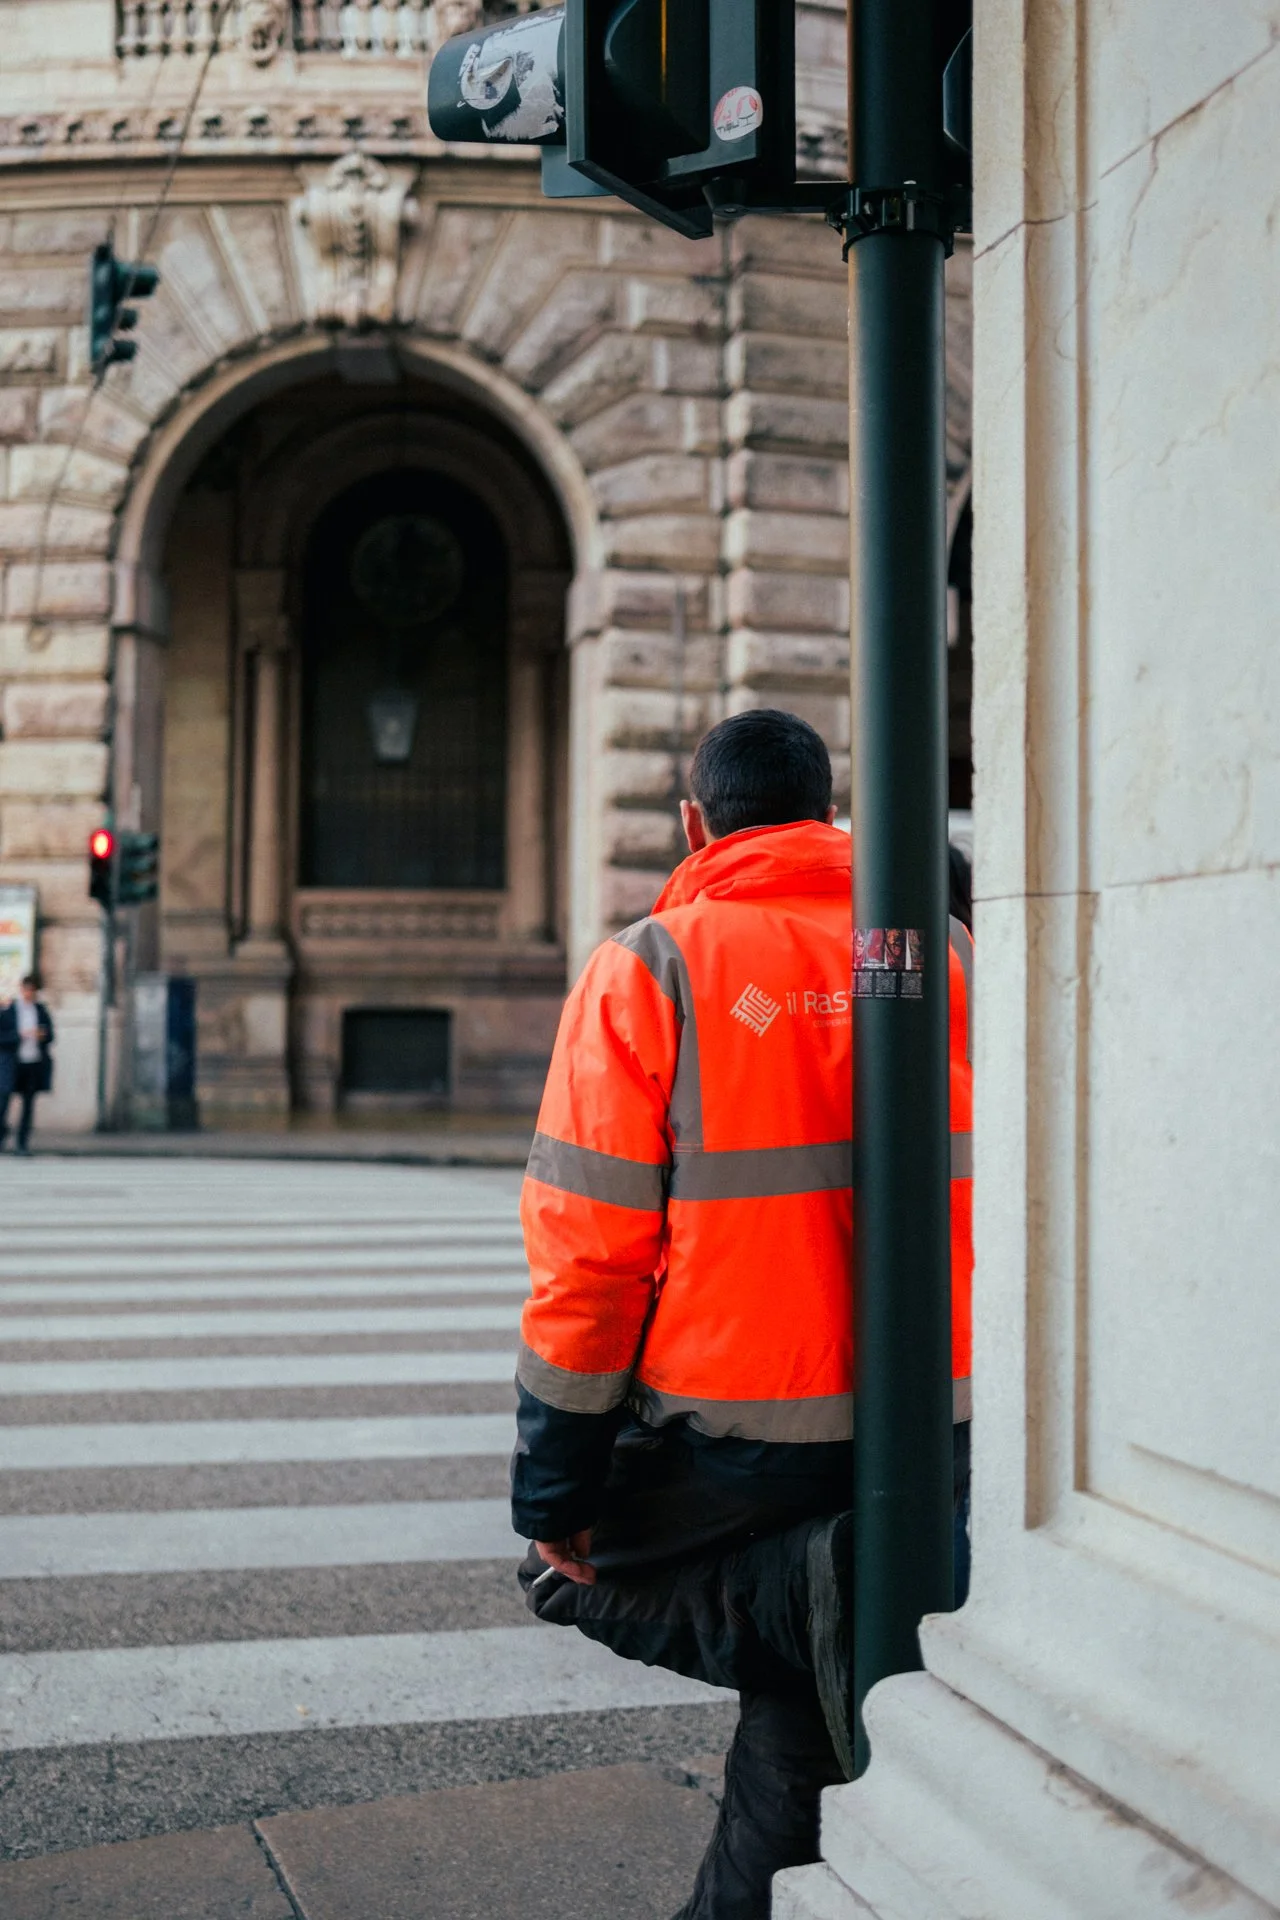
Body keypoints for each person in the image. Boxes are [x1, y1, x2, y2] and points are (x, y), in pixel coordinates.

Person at [512, 710, 974, 1919]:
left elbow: (588, 1255)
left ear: (692, 823)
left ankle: (807, 1585)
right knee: (799, 1720)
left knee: (563, 1571)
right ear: (827, 816)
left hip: (744, 1441)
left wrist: (554, 1482)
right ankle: (824, 1592)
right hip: (937, 1424)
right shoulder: (941, 951)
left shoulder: (655, 964)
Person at [0, 974, 55, 1155]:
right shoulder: (9, 1011)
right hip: (12, 1064)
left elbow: (50, 1036)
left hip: (32, 1063)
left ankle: (22, 1144)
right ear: (22, 989)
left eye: (33, 990)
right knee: (3, 1103)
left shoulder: (40, 1011)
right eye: (27, 989)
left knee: (28, 1106)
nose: (29, 993)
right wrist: (20, 1035)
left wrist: (43, 1035)